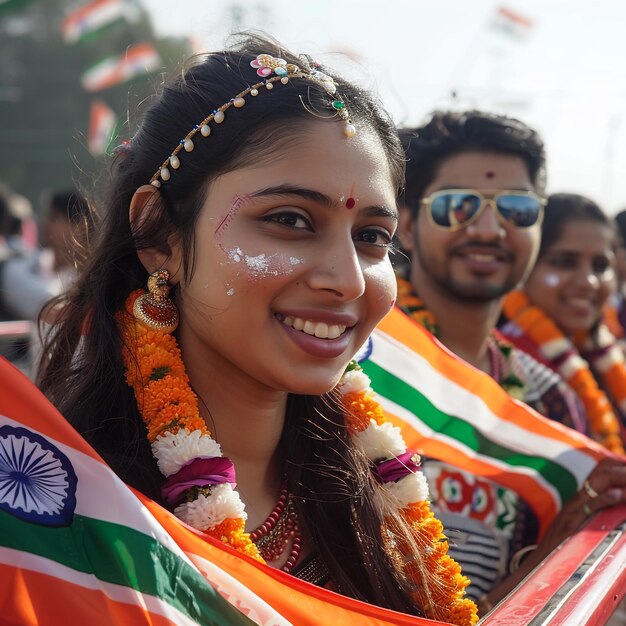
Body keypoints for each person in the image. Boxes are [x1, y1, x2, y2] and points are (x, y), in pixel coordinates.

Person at [35, 35, 477, 625]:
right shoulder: (60, 509)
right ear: (157, 233)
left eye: (372, 236)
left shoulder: (369, 496)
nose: (348, 281)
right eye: (290, 220)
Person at [384, 110, 626, 608]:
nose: (490, 230)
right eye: (457, 206)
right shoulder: (362, 366)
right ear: (406, 225)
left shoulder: (549, 400)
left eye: (517, 210)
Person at [501, 193, 626, 438]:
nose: (588, 281)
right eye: (564, 262)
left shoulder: (607, 354)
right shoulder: (505, 362)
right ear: (527, 264)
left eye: (601, 266)